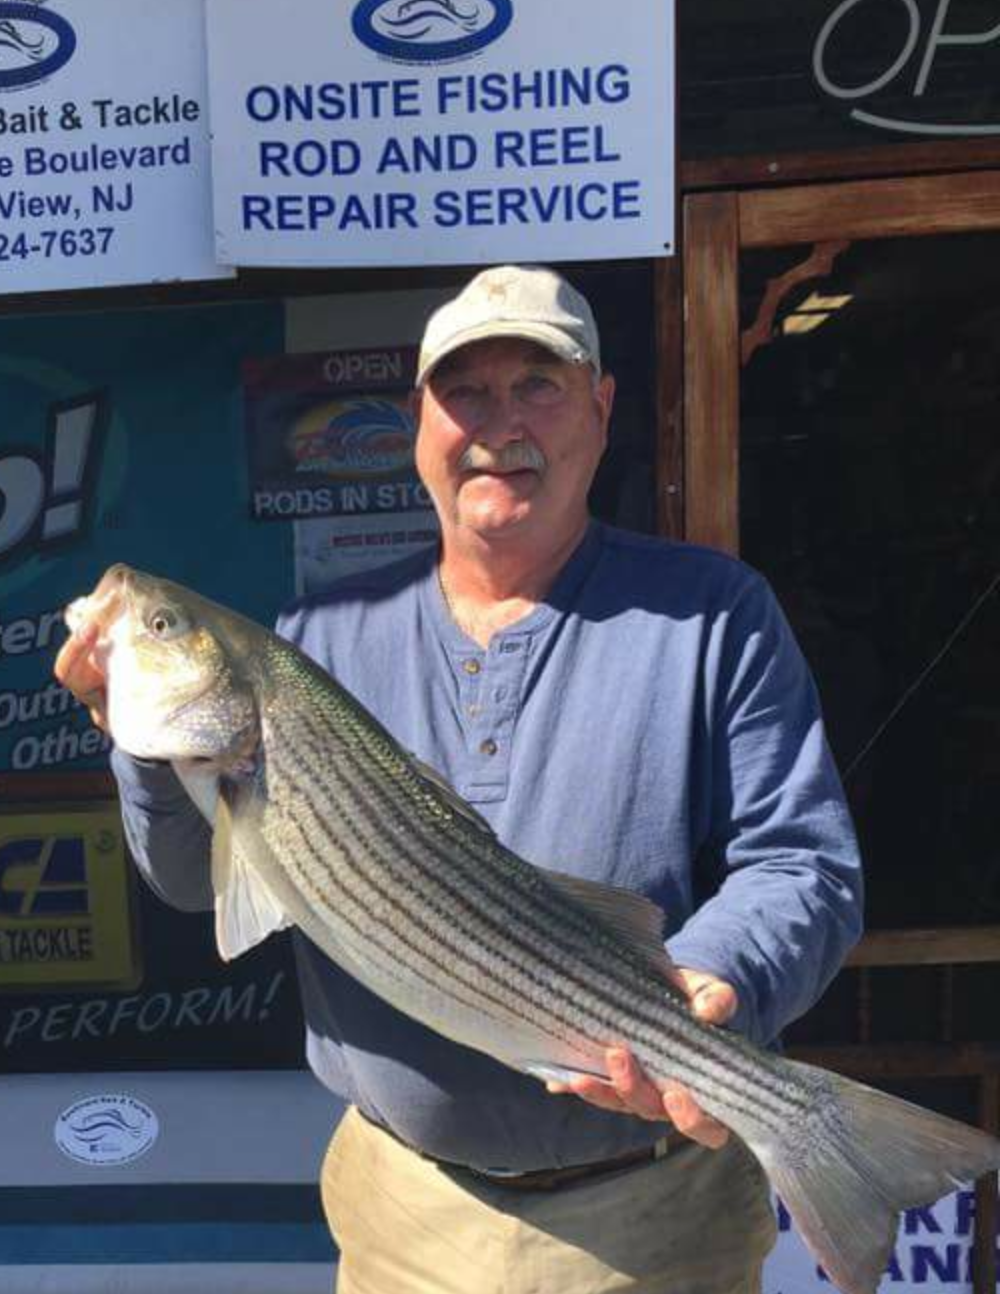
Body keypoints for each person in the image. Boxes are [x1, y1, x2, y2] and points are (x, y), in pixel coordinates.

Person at [55, 265, 863, 1294]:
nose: (499, 423)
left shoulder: (713, 615)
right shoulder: (320, 637)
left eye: (539, 384)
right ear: (417, 422)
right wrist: (138, 740)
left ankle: (824, 1136)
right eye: (466, 393)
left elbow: (803, 865)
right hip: (406, 1215)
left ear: (602, 409)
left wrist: (714, 983)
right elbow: (189, 879)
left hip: (660, 1220)